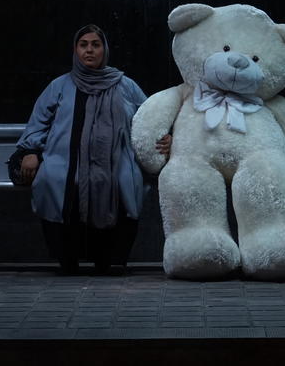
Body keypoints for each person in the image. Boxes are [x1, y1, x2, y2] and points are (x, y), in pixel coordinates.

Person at [16, 24, 170, 275]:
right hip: (65, 163)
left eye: (95, 45)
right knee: (58, 183)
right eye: (83, 44)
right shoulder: (59, 86)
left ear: (104, 50)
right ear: (75, 50)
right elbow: (37, 123)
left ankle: (107, 261)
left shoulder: (125, 86)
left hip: (115, 162)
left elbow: (151, 120)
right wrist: (30, 151)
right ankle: (68, 261)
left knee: (119, 182)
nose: (89, 50)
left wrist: (168, 137)